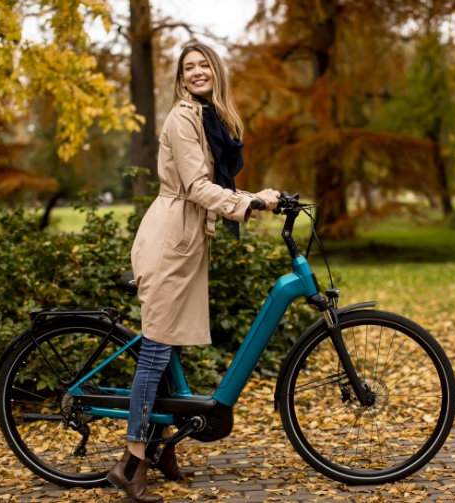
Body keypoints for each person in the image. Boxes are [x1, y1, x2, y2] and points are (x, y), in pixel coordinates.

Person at [106, 43, 279, 503]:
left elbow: (216, 181)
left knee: (166, 344)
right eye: (189, 68)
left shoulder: (211, 118)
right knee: (156, 350)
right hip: (169, 243)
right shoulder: (182, 119)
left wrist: (252, 195)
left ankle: (162, 449)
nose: (198, 72)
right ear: (181, 81)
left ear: (215, 73)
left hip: (185, 243)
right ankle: (131, 461)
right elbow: (198, 186)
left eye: (205, 64)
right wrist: (250, 202)